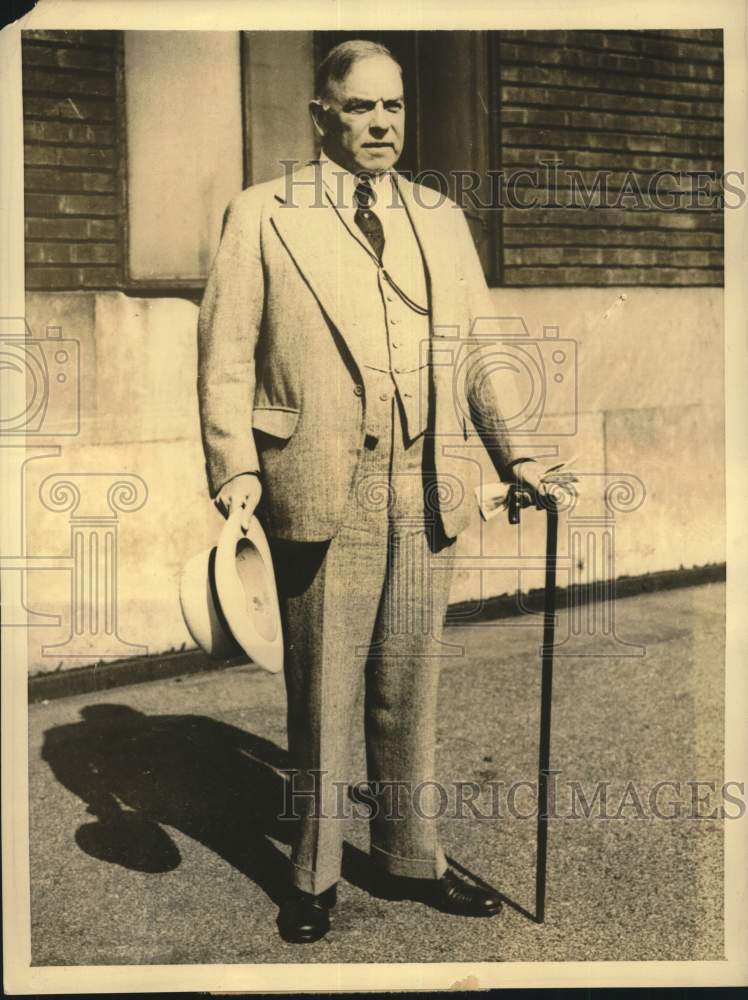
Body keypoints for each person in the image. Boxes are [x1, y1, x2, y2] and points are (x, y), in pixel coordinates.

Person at [197, 39, 546, 944]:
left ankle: (410, 858)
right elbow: (226, 356)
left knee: (409, 682)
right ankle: (311, 875)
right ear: (322, 116)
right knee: (322, 694)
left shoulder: (438, 216)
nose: (383, 124)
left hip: (425, 479)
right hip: (319, 479)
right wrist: (234, 469)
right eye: (361, 108)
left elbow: (478, 350)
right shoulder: (263, 213)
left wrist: (519, 459)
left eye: (393, 107)